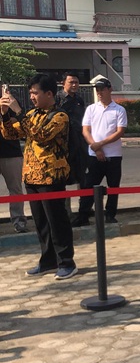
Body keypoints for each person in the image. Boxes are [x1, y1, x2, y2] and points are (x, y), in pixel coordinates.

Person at [1, 74, 77, 279]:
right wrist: (6, 114)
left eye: (35, 93)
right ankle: (48, 260)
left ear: (49, 94)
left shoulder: (59, 116)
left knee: (57, 220)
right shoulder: (32, 114)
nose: (32, 97)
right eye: (31, 93)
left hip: (51, 175)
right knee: (41, 222)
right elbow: (11, 134)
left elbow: (40, 134)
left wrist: (19, 111)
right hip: (32, 176)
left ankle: (66, 261)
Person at [71, 78, 127, 226]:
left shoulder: (119, 110)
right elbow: (86, 130)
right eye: (98, 90)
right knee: (88, 186)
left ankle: (110, 214)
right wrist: (95, 148)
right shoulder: (91, 109)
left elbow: (119, 132)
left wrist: (100, 144)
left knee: (113, 186)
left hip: (113, 155)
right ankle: (83, 215)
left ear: (110, 89)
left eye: (102, 89)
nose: (100, 92)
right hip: (94, 155)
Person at [55, 72, 88, 188]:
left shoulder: (79, 100)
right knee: (62, 176)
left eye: (76, 82)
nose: (74, 85)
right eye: (71, 82)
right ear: (63, 83)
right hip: (63, 142)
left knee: (82, 174)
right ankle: (64, 206)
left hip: (79, 141)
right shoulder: (57, 98)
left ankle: (84, 205)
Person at [0, 101, 27, 234]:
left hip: (12, 152)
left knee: (15, 189)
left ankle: (19, 220)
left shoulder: (10, 102)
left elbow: (18, 122)